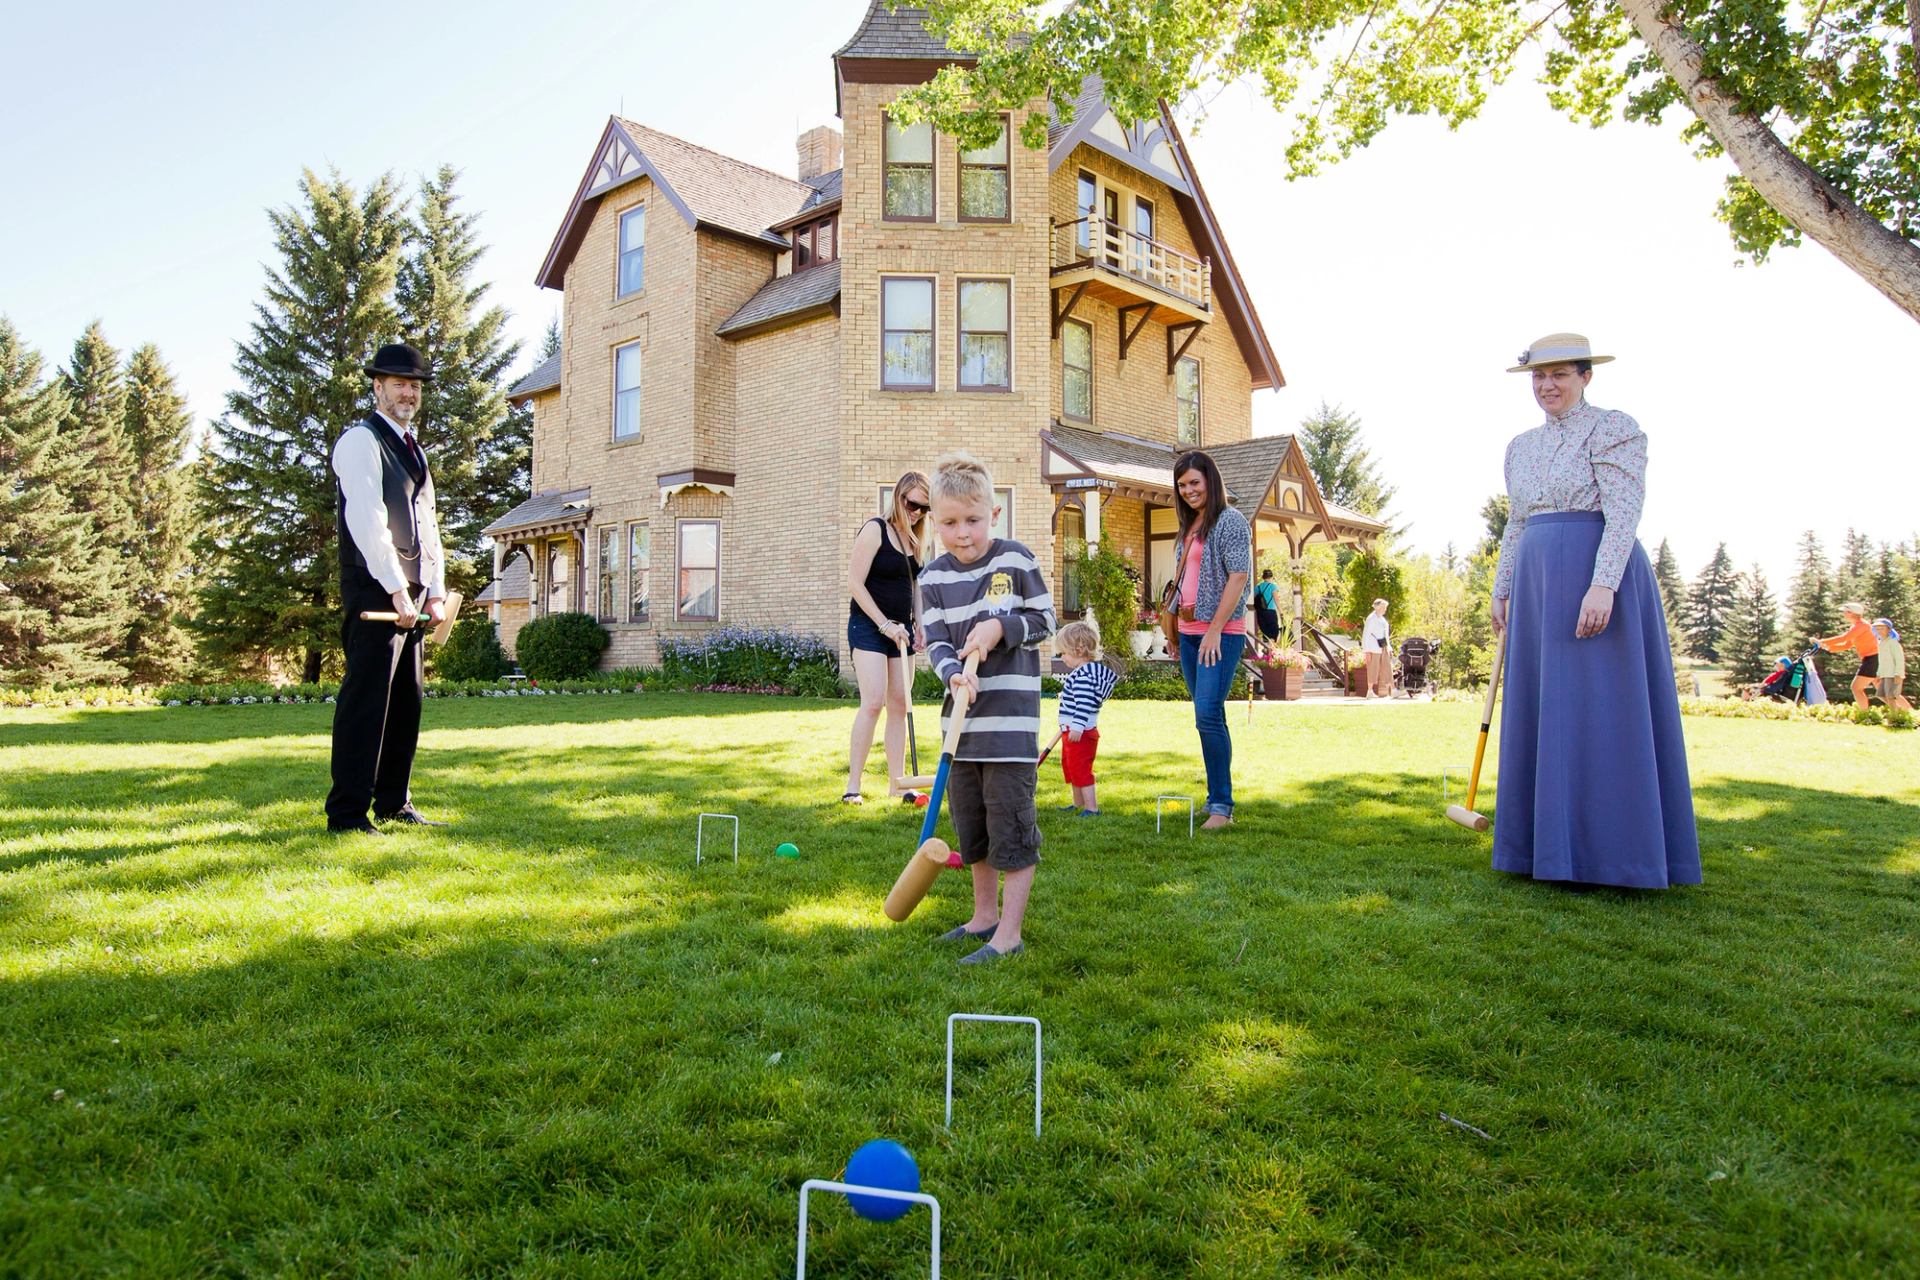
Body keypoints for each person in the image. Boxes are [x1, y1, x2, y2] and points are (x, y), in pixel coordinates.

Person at [1490, 333, 1700, 889]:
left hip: (1594, 576)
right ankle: (1541, 851)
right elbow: (1515, 521)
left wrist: (1602, 585)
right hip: (1535, 584)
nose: (1547, 385)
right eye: (1538, 376)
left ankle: (1613, 853)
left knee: (1600, 712)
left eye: (1559, 374)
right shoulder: (1519, 447)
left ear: (1586, 376)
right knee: (1545, 710)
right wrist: (1502, 585)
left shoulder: (1615, 429)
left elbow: (1625, 511)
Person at [919, 452, 1055, 964]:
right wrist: (952, 673)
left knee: (1010, 828)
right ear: (935, 522)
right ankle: (983, 916)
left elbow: (1044, 621)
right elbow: (933, 642)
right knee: (972, 828)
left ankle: (1010, 935)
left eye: (973, 521)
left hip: (1010, 728)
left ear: (993, 514)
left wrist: (1001, 628)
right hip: (962, 729)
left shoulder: (1015, 561)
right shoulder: (932, 578)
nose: (963, 534)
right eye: (950, 523)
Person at [325, 343, 450, 834]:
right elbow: (368, 519)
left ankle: (394, 801)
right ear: (377, 387)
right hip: (375, 587)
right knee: (367, 699)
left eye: (415, 385)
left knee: (406, 699)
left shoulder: (414, 449)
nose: (408, 392)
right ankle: (348, 813)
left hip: (413, 589)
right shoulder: (361, 441)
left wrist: (433, 590)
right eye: (399, 384)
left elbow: (427, 523)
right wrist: (396, 589)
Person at [1171, 450, 1252, 829]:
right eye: (1182, 484)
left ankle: (1222, 806)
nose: (1188, 490)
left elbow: (1238, 576)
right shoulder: (1189, 525)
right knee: (1207, 716)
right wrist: (1174, 629)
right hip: (1188, 634)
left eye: (1194, 483)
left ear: (1210, 482)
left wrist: (1215, 628)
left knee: (1207, 713)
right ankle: (1216, 797)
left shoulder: (1230, 521)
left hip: (1218, 634)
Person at [843, 471, 929, 803]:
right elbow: (854, 583)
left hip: (901, 630)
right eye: (913, 504)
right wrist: (884, 625)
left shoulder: (916, 539)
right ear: (899, 496)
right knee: (874, 702)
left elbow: (915, 584)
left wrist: (918, 622)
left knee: (899, 703)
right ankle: (853, 786)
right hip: (869, 627)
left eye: (925, 507)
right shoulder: (875, 529)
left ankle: (899, 785)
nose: (918, 512)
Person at [1054, 620, 1119, 817]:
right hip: (1073, 730)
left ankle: (1092, 808)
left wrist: (1077, 727)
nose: (1061, 656)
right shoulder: (1083, 673)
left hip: (1079, 734)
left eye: (1064, 652)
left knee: (1081, 769)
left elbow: (1084, 703)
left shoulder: (1083, 676)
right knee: (1071, 766)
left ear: (1079, 649)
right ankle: (1078, 803)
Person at [1815, 602, 1881, 711]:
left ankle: (1865, 714)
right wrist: (1828, 647)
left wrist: (1822, 641)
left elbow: (1844, 638)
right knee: (1883, 691)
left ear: (1851, 613)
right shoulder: (1856, 626)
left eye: (1845, 612)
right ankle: (1904, 713)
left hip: (1872, 659)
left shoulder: (1862, 625)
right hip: (1871, 659)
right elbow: (1847, 644)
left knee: (1856, 687)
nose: (1843, 614)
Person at [1873, 618, 1909, 712]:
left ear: (1889, 629)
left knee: (1891, 696)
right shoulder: (1881, 643)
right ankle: (1898, 711)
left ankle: (1895, 716)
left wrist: (1898, 674)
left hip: (1893, 674)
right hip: (1885, 674)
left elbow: (1899, 659)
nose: (1879, 631)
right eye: (1877, 628)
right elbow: (1881, 661)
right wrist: (1878, 674)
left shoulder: (1893, 642)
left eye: (1882, 628)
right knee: (1880, 695)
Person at [1362, 597, 1393, 698]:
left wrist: (1389, 648)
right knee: (1373, 668)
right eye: (1384, 607)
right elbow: (1366, 635)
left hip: (1383, 647)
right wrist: (1366, 651)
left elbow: (1386, 635)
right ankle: (1370, 691)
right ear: (1378, 607)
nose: (1385, 609)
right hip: (1373, 648)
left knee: (1387, 667)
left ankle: (1392, 690)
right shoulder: (1371, 618)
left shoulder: (1383, 619)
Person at [1252, 569, 1282, 656]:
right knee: (1273, 631)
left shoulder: (1258, 587)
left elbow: (1253, 598)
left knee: (1265, 631)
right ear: (1271, 577)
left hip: (1261, 613)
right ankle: (1270, 652)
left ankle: (1266, 650)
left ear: (1263, 577)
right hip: (1271, 612)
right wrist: (1281, 612)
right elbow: (1276, 600)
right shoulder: (1273, 587)